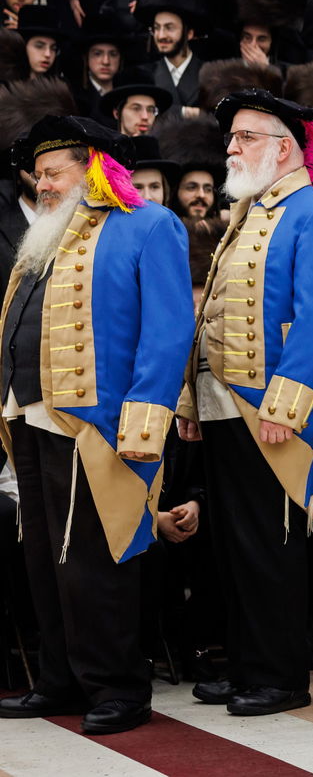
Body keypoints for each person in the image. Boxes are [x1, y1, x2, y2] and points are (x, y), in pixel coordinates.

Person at [0, 116, 192, 734]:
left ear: (93, 169)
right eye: (39, 176)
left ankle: (118, 687)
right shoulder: (44, 237)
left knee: (92, 560)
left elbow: (168, 331)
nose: (44, 185)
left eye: (54, 173)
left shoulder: (150, 226)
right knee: (42, 558)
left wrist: (146, 415)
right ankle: (59, 679)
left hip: (96, 420)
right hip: (28, 413)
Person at [176, 89, 313, 715]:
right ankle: (248, 662)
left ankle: (280, 676)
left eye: (245, 137)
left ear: (283, 147)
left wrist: (286, 404)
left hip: (269, 405)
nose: (231, 147)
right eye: (232, 138)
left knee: (271, 543)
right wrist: (192, 401)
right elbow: (212, 317)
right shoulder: (250, 212)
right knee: (232, 545)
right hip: (223, 402)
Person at [102, 72, 173, 136]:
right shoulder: (103, 149)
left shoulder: (166, 149)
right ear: (117, 113)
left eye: (150, 110)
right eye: (136, 108)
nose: (145, 117)